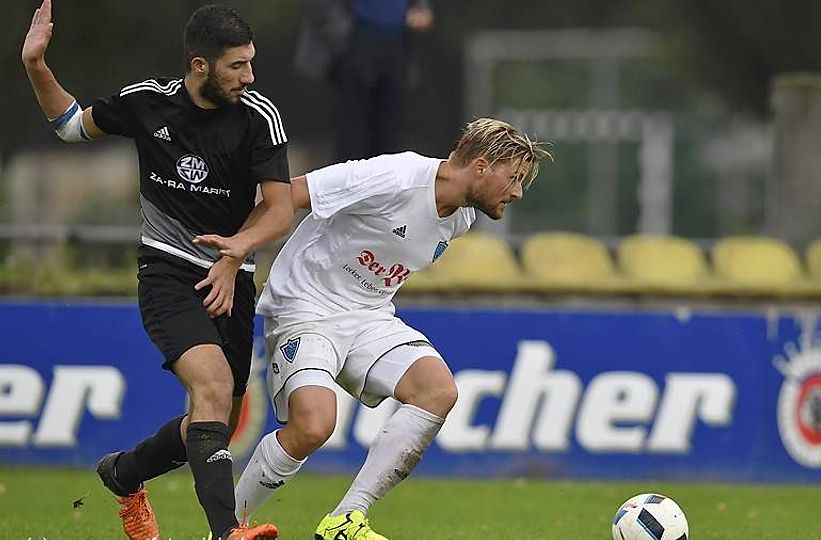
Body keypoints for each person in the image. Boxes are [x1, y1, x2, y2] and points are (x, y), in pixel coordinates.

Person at [21, 2, 293, 539]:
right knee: (213, 386)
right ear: (199, 66)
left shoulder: (259, 116)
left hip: (232, 277)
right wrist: (36, 65)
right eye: (237, 66)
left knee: (214, 417)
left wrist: (234, 253)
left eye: (251, 62)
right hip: (167, 270)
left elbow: (280, 210)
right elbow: (71, 126)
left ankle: (124, 474)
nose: (249, 76)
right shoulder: (148, 102)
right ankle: (226, 532)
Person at [232, 118, 551, 539]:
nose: (518, 192)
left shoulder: (461, 218)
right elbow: (289, 194)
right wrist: (233, 257)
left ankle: (345, 519)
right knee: (312, 427)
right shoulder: (395, 176)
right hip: (306, 306)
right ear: (480, 167)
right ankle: (227, 528)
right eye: (514, 178)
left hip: (369, 315)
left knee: (437, 390)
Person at [294, 0, 434, 161]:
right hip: (357, 41)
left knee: (389, 132)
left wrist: (420, 11)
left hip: (397, 45)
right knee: (352, 132)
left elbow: (420, 9)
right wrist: (343, 36)